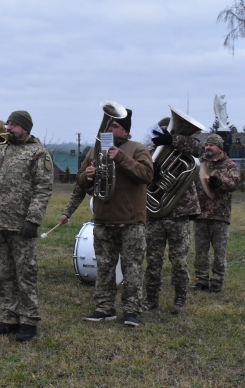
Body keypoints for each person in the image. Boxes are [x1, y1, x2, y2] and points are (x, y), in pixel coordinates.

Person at [0, 110, 53, 343]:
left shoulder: (38, 153)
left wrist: (33, 220)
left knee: (25, 272)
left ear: (25, 128)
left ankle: (29, 319)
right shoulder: (0, 149)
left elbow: (43, 189)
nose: (8, 128)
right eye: (7, 123)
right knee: (4, 273)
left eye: (14, 125)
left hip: (21, 224)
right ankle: (9, 316)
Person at [76, 109, 153, 327]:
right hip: (103, 219)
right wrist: (87, 176)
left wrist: (120, 158)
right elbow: (80, 180)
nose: (110, 128)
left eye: (116, 126)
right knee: (104, 267)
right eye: (109, 125)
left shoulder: (138, 149)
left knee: (132, 268)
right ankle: (104, 307)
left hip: (131, 221)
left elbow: (147, 175)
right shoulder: (95, 150)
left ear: (126, 131)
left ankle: (131, 310)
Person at [142, 116, 202, 315]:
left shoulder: (186, 147)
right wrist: (152, 173)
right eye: (161, 130)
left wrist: (173, 141)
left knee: (178, 260)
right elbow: (141, 172)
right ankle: (151, 298)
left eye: (168, 130)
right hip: (155, 213)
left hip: (179, 212)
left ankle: (180, 298)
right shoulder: (150, 151)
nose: (164, 133)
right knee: (153, 258)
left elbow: (199, 149)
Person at [192, 134, 239, 294]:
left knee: (219, 252)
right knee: (200, 251)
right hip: (200, 215)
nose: (208, 147)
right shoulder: (200, 163)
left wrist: (219, 182)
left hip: (220, 216)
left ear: (219, 148)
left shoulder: (229, 164)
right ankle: (202, 280)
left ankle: (217, 281)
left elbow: (234, 183)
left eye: (212, 145)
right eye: (207, 145)